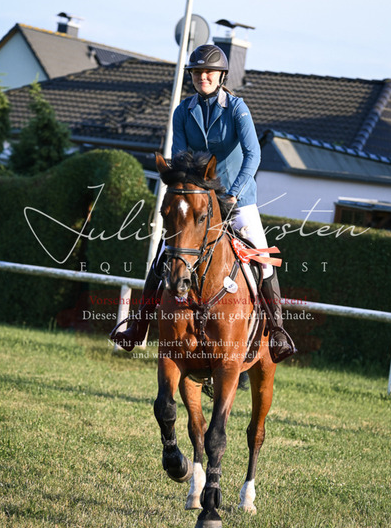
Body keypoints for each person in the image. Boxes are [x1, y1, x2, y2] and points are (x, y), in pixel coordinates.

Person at [112, 44, 296, 363]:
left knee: (264, 260)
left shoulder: (237, 109)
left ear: (221, 76)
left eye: (209, 72)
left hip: (238, 199)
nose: (203, 77)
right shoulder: (183, 111)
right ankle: (138, 327)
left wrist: (234, 192)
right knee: (163, 256)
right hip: (199, 201)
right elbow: (181, 158)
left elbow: (253, 155)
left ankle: (277, 332)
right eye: (197, 72)